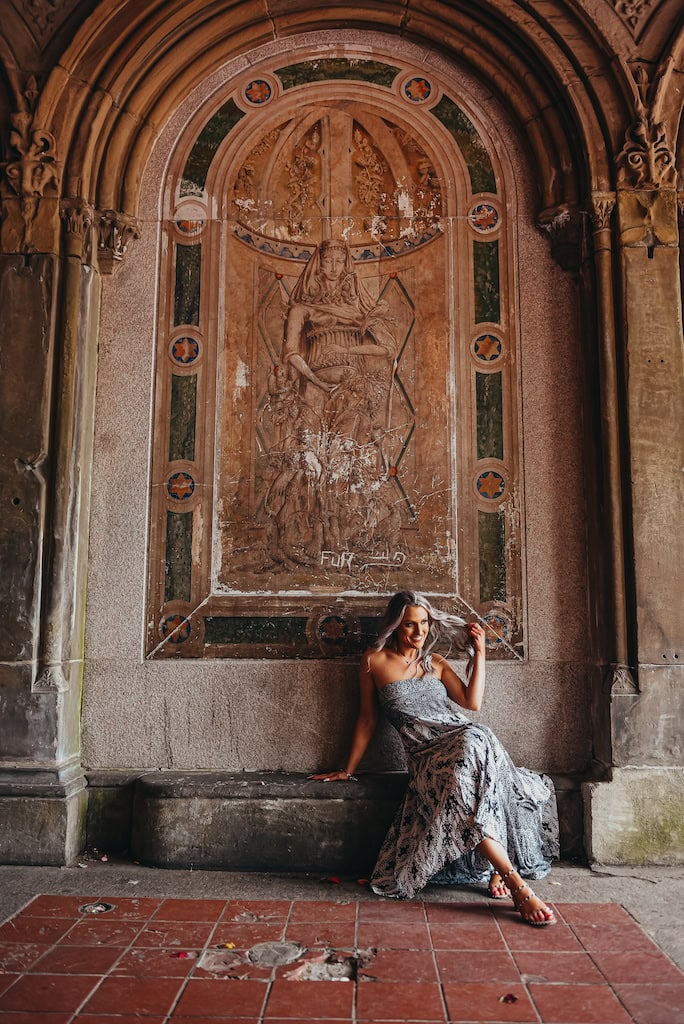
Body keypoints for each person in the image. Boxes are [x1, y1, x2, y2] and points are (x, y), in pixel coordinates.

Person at [313, 591, 559, 925]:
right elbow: (367, 719)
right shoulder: (374, 662)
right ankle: (501, 870)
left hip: (463, 740)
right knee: (463, 783)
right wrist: (347, 768)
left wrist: (481, 653)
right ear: (396, 625)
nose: (419, 632)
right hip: (425, 756)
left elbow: (472, 704)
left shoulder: (437, 664)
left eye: (424, 623)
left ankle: (515, 883)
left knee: (474, 743)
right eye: (410, 625)